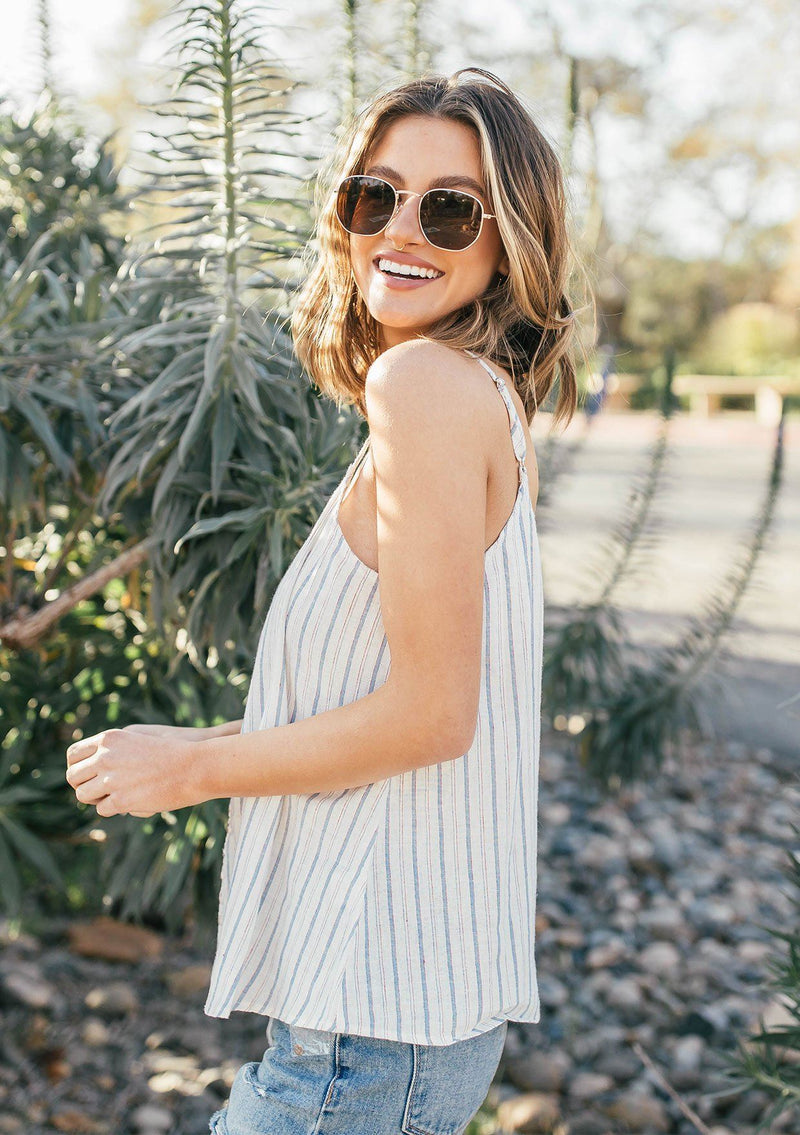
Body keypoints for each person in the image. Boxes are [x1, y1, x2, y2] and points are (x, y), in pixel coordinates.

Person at [66, 66, 583, 1134]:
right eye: (371, 194)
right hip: (381, 1017)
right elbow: (380, 697)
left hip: (365, 1027)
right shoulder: (465, 394)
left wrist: (197, 767)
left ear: (506, 242)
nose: (399, 228)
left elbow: (431, 715)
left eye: (448, 208)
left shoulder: (423, 390)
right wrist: (186, 742)